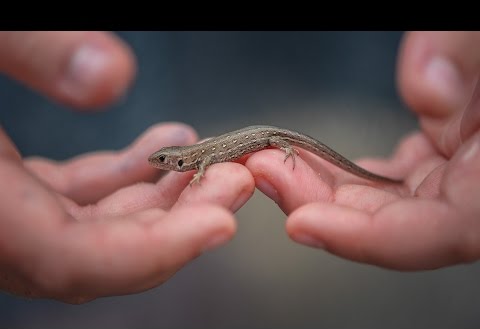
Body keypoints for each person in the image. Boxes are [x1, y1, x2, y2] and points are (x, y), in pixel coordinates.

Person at [0, 31, 477, 304]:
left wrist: (285, 150)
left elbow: (206, 161)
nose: (166, 165)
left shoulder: (199, 160)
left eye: (167, 161)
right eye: (167, 162)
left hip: (277, 135)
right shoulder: (196, 156)